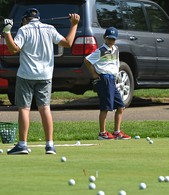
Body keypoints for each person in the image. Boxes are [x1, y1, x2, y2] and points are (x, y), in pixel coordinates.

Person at [2, 8, 80, 154]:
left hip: (26, 75)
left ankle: (22, 144)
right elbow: (68, 43)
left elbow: (13, 49)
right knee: (45, 108)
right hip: (45, 75)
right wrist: (74, 24)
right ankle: (50, 145)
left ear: (26, 19)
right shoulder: (50, 28)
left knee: (24, 108)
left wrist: (7, 31)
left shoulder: (24, 30)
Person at [84, 27, 131, 140]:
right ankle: (102, 133)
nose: (111, 41)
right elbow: (87, 60)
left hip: (112, 79)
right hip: (104, 79)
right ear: (104, 37)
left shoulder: (116, 49)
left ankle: (117, 132)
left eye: (113, 39)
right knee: (105, 107)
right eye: (109, 39)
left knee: (120, 106)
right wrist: (94, 74)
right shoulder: (101, 50)